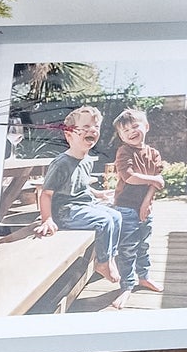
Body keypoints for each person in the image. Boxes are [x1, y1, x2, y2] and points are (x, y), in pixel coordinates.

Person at [34, 106, 122, 277]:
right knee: (104, 221)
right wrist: (47, 219)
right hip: (65, 211)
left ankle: (110, 257)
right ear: (68, 135)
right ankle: (102, 263)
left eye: (96, 127)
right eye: (86, 127)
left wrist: (97, 194)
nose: (92, 130)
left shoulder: (87, 160)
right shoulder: (61, 164)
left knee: (116, 216)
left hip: (83, 205)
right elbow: (46, 193)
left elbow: (79, 183)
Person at [109, 106, 165, 307]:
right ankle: (127, 285)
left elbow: (155, 185)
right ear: (121, 136)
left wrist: (146, 203)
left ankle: (143, 276)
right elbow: (129, 177)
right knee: (128, 248)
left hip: (144, 207)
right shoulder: (124, 151)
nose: (131, 131)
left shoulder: (154, 153)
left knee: (144, 244)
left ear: (146, 126)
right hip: (125, 207)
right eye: (125, 130)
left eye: (135, 126)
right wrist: (154, 179)